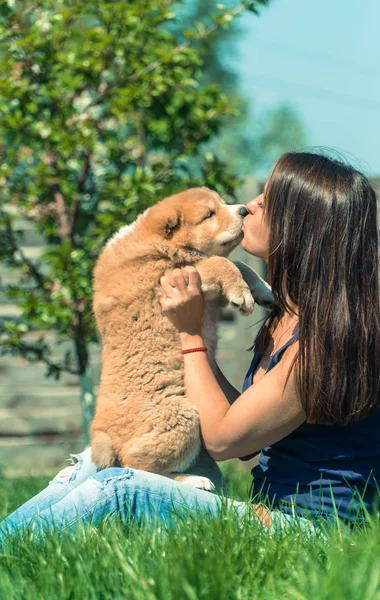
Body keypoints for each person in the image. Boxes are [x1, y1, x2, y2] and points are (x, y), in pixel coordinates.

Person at [2, 151, 380, 540]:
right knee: (90, 463)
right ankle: (8, 545)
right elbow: (247, 435)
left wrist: (191, 334)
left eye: (267, 202)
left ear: (302, 227)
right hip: (268, 511)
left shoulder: (321, 345)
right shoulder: (287, 319)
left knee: (119, 488)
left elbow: (221, 441)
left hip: (310, 530)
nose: (249, 206)